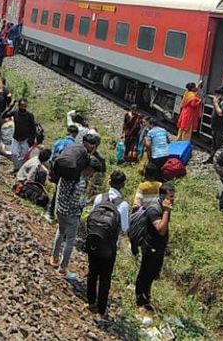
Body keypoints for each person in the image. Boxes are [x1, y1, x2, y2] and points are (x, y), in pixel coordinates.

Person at [50, 133, 103, 280]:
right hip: (71, 214)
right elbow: (75, 203)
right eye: (92, 172)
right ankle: (62, 269)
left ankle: (54, 258)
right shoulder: (80, 183)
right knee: (70, 241)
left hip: (59, 208)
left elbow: (61, 191)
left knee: (60, 232)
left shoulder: (67, 175)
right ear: (87, 169)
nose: (92, 175)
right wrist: (86, 202)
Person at [87, 171, 130, 318]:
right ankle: (101, 310)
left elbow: (92, 216)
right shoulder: (123, 205)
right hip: (109, 247)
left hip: (94, 241)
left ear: (109, 182)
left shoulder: (99, 197)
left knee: (92, 272)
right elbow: (124, 228)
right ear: (123, 185)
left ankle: (90, 302)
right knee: (105, 278)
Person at [135, 181, 175, 312]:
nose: (172, 200)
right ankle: (140, 300)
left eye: (173, 197)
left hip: (159, 247)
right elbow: (161, 230)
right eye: (170, 197)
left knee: (153, 274)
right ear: (163, 196)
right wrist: (167, 212)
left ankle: (146, 297)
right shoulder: (155, 209)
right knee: (146, 273)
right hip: (151, 246)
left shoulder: (163, 208)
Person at [43, 125, 80, 223]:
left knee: (56, 190)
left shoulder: (58, 142)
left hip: (55, 170)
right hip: (65, 173)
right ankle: (51, 212)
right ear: (76, 134)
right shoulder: (74, 147)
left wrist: (51, 171)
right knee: (59, 192)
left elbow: (51, 159)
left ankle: (50, 210)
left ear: (67, 132)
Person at [9, 99, 37, 170]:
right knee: (14, 153)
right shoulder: (15, 112)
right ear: (19, 106)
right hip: (16, 137)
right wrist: (10, 106)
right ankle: (16, 168)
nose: (23, 107)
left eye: (25, 106)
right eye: (22, 106)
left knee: (24, 156)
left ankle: (21, 170)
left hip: (25, 138)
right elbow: (4, 115)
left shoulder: (29, 115)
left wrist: (32, 139)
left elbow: (33, 128)